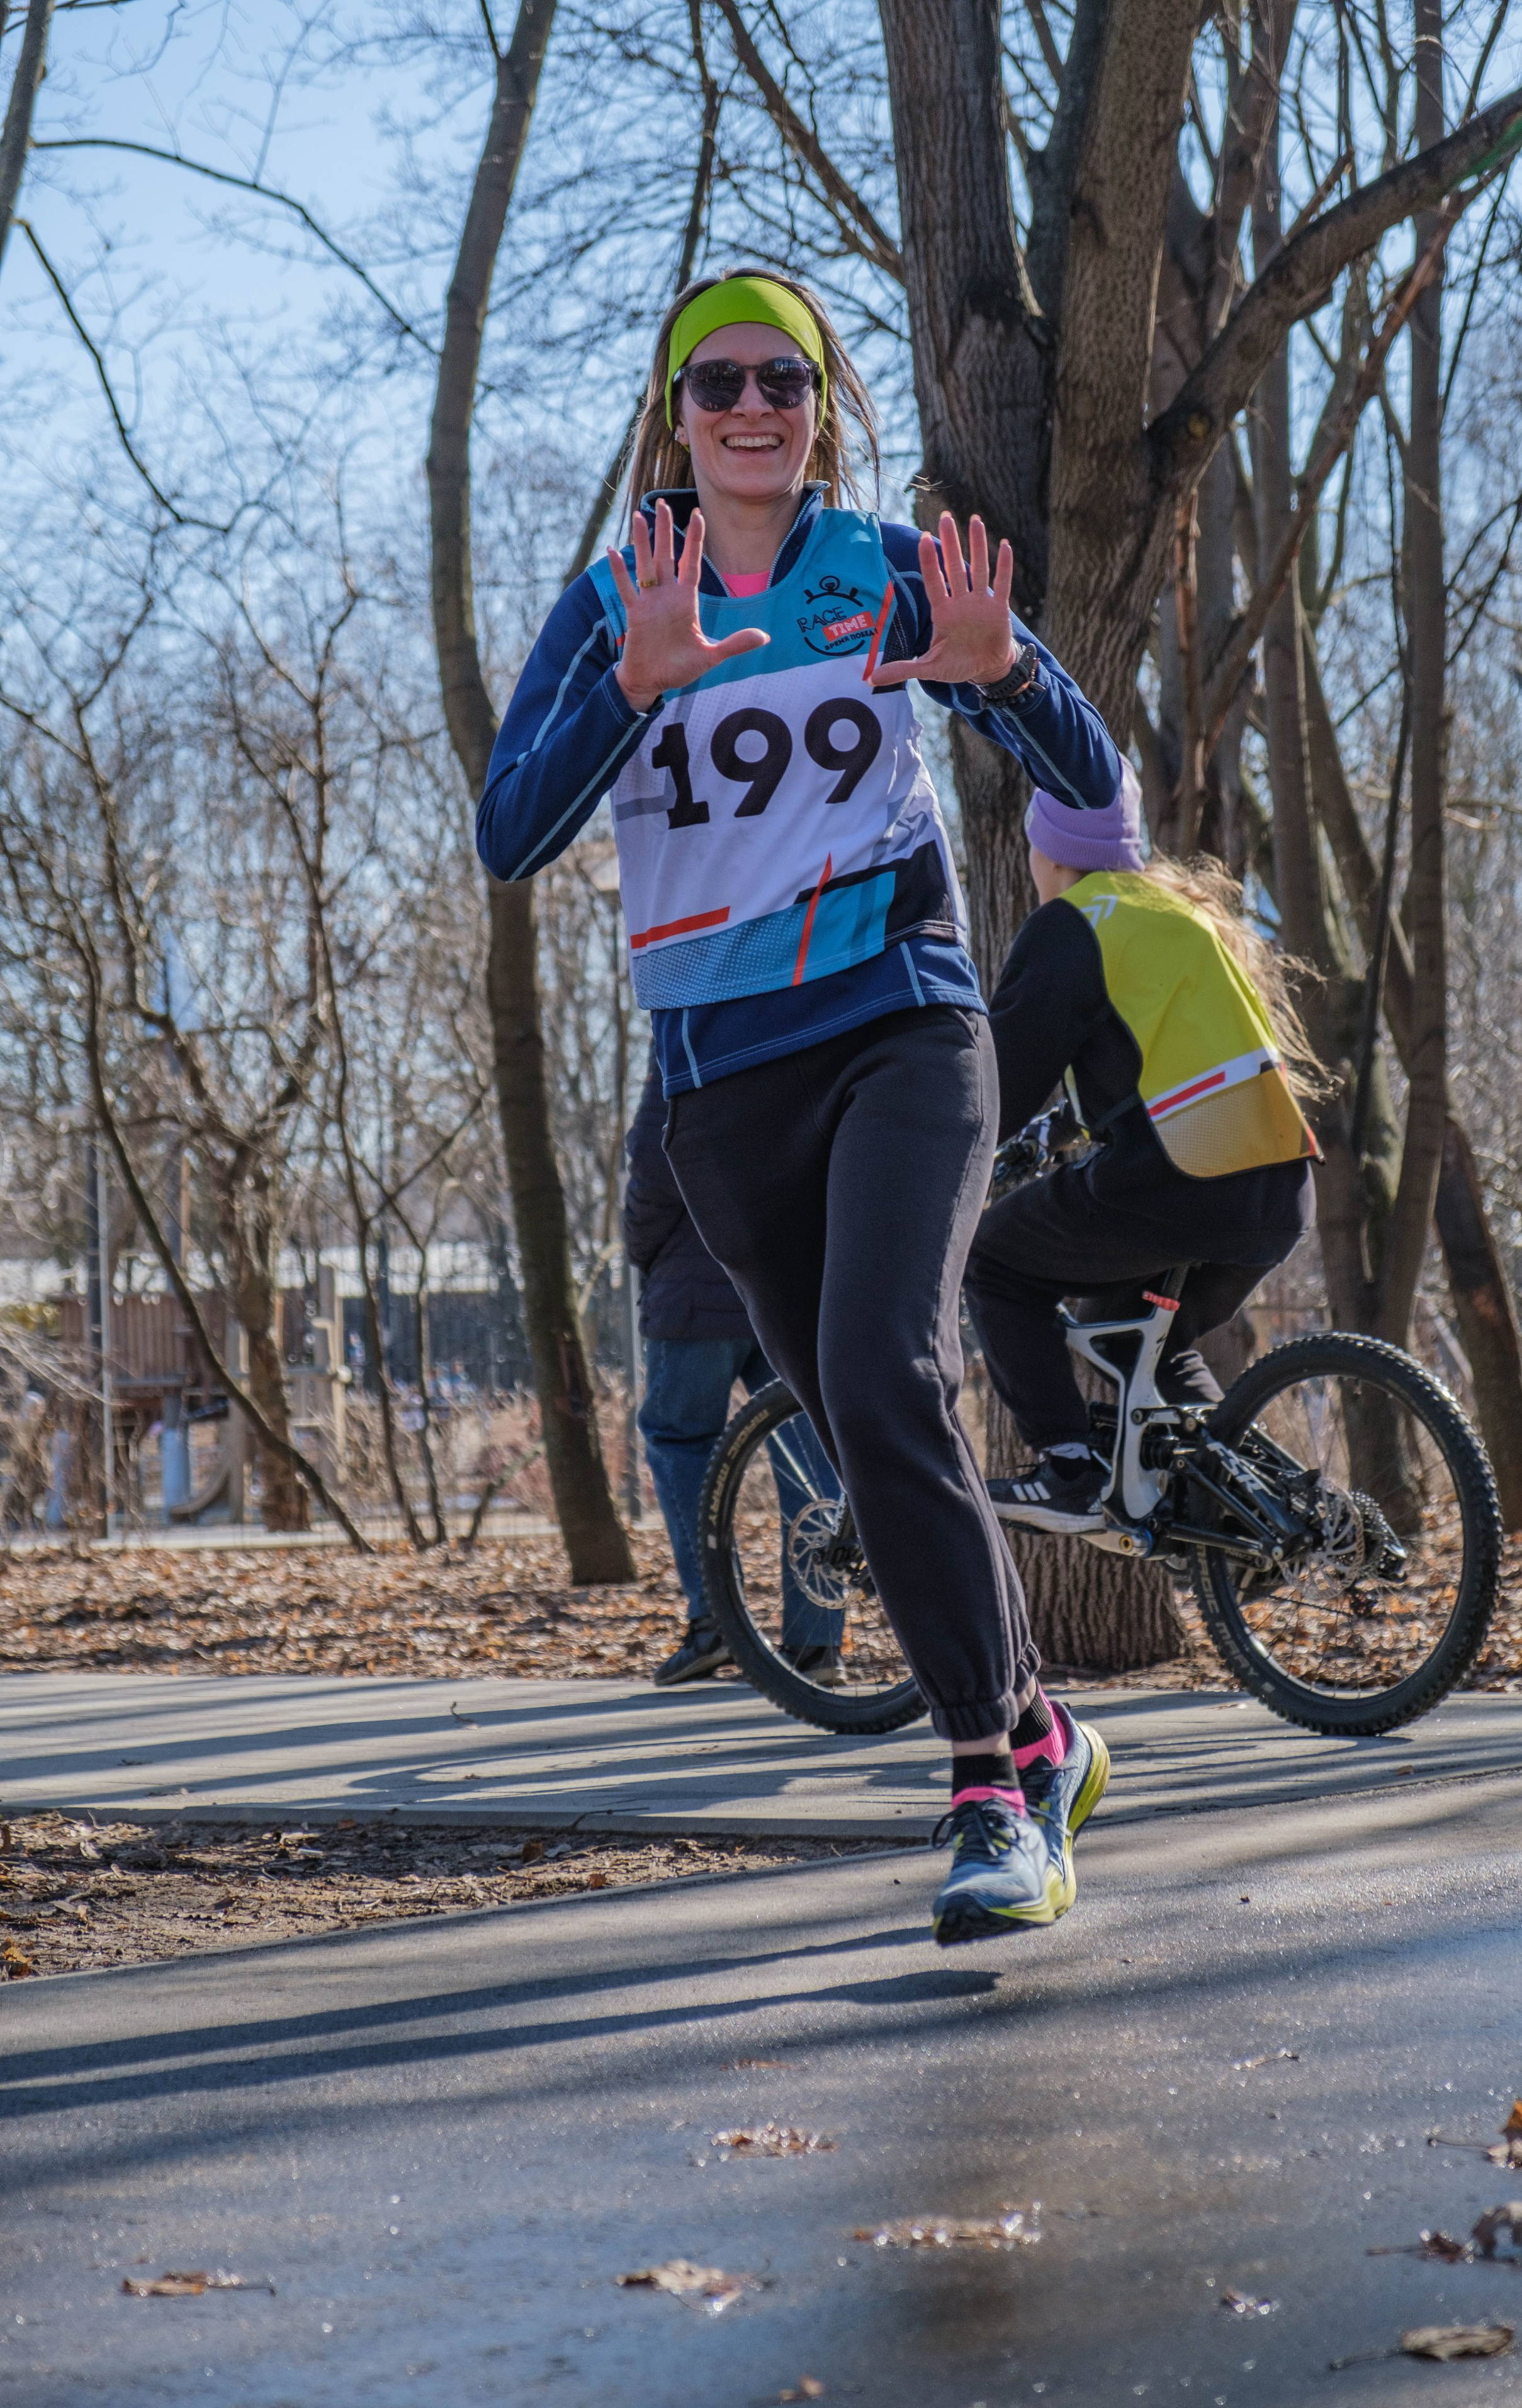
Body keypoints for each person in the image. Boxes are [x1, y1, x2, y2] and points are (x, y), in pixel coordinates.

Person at [477, 266, 1114, 1945]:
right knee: (859, 1438)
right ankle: (1046, 1728)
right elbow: (505, 837)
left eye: (786, 380)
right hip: (717, 1080)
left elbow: (1093, 776)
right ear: (674, 421)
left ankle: (988, 1790)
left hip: (901, 1021)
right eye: (719, 385)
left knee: (878, 1369)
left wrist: (994, 681)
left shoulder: (886, 573)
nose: (754, 408)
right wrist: (632, 689)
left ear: (823, 406)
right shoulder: (623, 597)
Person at [967, 776, 1320, 1531]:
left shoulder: (1073, 924)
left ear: (1048, 851)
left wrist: (944, 1152)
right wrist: (1057, 1134)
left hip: (1177, 1180)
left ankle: (1065, 1466)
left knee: (992, 1261)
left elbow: (1000, 1084)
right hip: (1276, 1184)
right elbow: (1152, 1071)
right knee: (1130, 1339)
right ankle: (1251, 1516)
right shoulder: (1180, 914)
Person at [624, 1060, 843, 1688]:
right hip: (789, 1285)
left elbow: (652, 1159)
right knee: (810, 1453)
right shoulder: (801, 1035)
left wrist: (648, 1251)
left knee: (678, 1438)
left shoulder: (683, 1040)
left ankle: (715, 1623)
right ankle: (818, 1641)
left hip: (695, 1292)